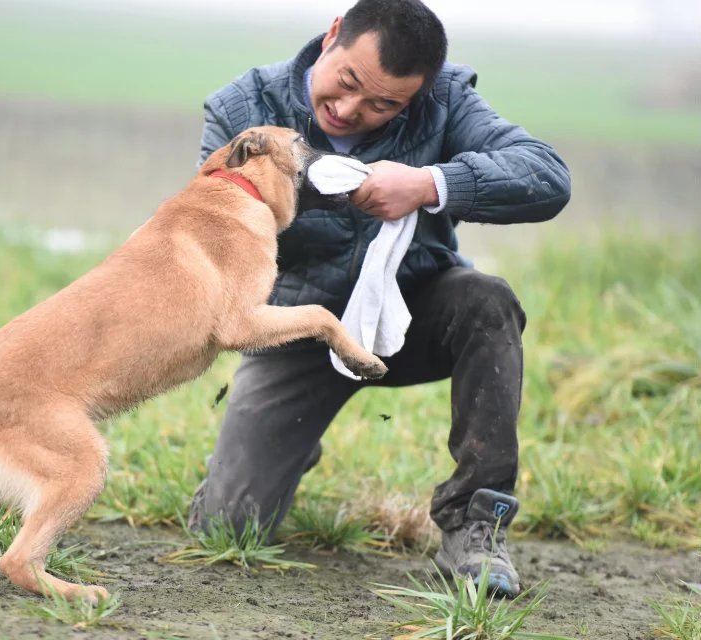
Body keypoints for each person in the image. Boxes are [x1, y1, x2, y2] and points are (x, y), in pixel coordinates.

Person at [186, 0, 571, 597]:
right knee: (228, 526)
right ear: (333, 35)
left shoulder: (446, 99)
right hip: (298, 328)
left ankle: (476, 524)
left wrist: (429, 183)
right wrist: (328, 188)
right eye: (346, 83)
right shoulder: (244, 109)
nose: (349, 111)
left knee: (487, 299)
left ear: (417, 94)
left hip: (413, 313)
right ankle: (285, 444)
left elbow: (547, 176)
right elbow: (211, 222)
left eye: (383, 104)